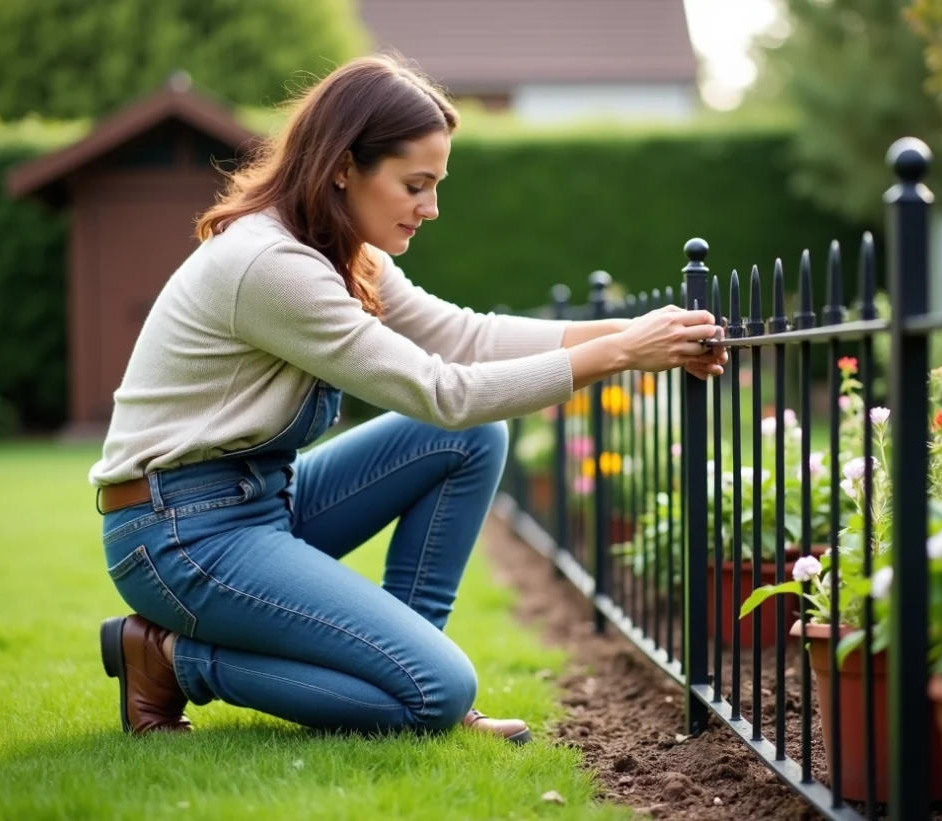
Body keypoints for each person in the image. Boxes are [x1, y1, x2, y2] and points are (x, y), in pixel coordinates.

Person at [92, 53, 728, 745]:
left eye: (436, 185)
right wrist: (621, 354)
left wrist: (636, 331)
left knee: (474, 441)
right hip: (180, 533)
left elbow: (465, 336)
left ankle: (417, 672)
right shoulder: (271, 265)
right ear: (343, 165)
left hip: (260, 503)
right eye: (415, 184)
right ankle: (170, 659)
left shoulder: (340, 248)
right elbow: (441, 391)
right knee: (438, 688)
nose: (431, 208)